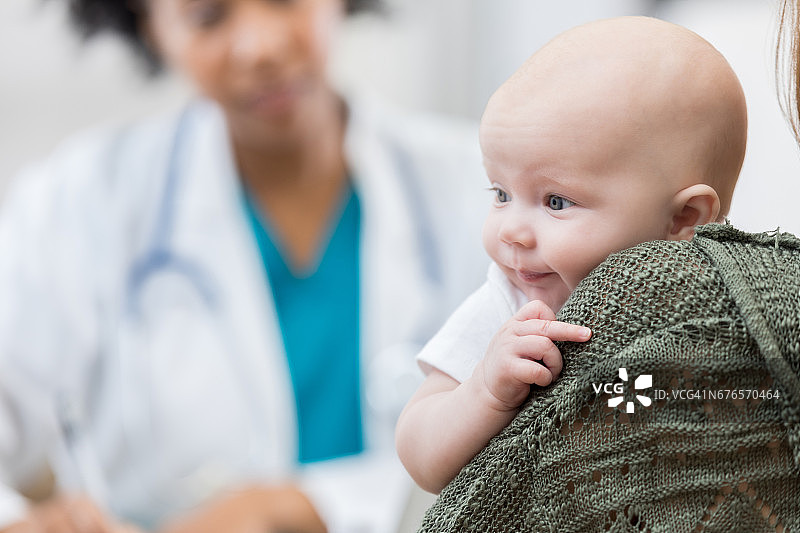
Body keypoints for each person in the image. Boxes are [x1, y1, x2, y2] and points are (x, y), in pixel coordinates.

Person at [0, 0, 490, 532]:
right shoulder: (76, 204)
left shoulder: (483, 189)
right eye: (208, 17)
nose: (261, 47)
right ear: (151, 28)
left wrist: (302, 506)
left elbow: (567, 429)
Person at [395, 16, 748, 494]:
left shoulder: (728, 308)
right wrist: (485, 391)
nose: (512, 230)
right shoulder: (513, 306)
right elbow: (418, 451)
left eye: (555, 202)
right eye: (500, 193)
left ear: (684, 218)